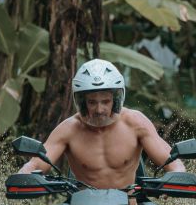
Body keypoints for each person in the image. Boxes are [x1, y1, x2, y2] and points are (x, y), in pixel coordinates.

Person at [18, 58, 185, 190]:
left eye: (106, 101)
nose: (99, 109)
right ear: (82, 102)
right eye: (92, 102)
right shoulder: (67, 129)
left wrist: (176, 177)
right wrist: (24, 175)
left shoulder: (136, 123)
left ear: (116, 99)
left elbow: (171, 160)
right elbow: (37, 164)